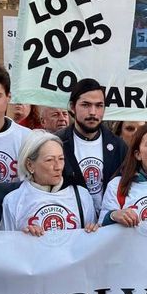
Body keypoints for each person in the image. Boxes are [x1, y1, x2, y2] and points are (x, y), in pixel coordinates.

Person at [0, 131, 98, 235]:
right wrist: (24, 238)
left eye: (61, 159)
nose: (58, 167)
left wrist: (92, 230)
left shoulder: (82, 195)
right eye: (49, 160)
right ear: (29, 165)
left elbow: (93, 243)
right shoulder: (13, 201)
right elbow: (6, 245)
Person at [57, 79, 127, 212]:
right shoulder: (57, 143)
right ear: (72, 107)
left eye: (99, 106)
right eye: (86, 105)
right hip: (72, 224)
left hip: (108, 225)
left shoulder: (119, 146)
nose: (93, 112)